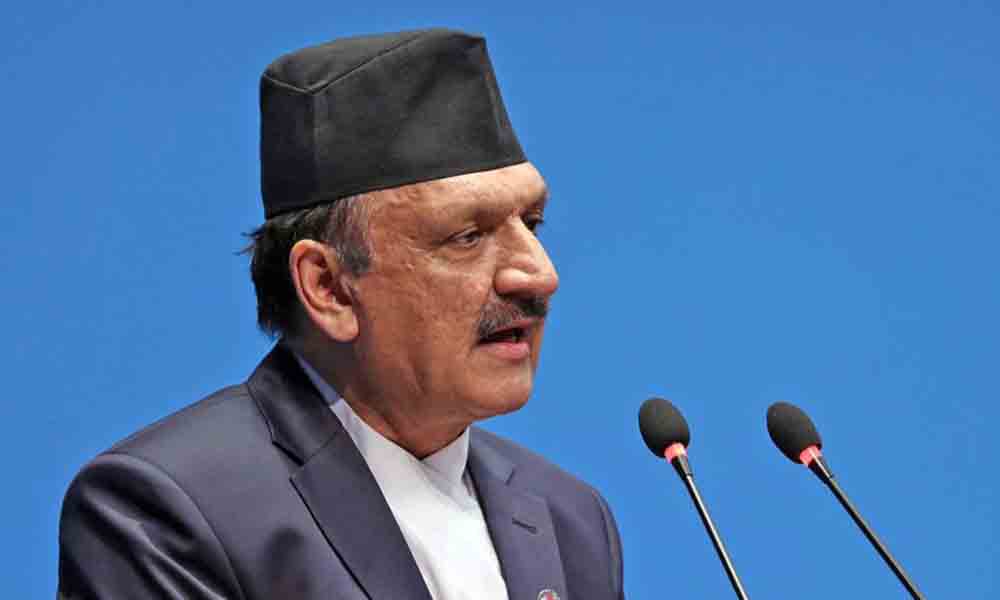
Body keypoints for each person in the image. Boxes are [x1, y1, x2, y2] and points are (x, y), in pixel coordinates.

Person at [58, 28, 624, 600]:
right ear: (328, 288)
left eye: (531, 223)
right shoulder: (167, 512)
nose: (539, 275)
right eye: (468, 236)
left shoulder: (571, 518)